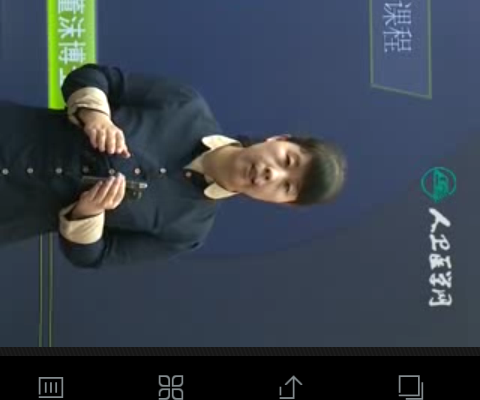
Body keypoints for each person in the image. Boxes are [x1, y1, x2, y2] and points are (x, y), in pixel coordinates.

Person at [0, 63, 347, 268]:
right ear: (279, 139)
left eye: (286, 186)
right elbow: (92, 75)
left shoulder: (187, 231)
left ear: (281, 203)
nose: (273, 173)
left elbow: (92, 257)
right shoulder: (184, 104)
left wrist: (88, 214)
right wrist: (96, 116)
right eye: (287, 160)